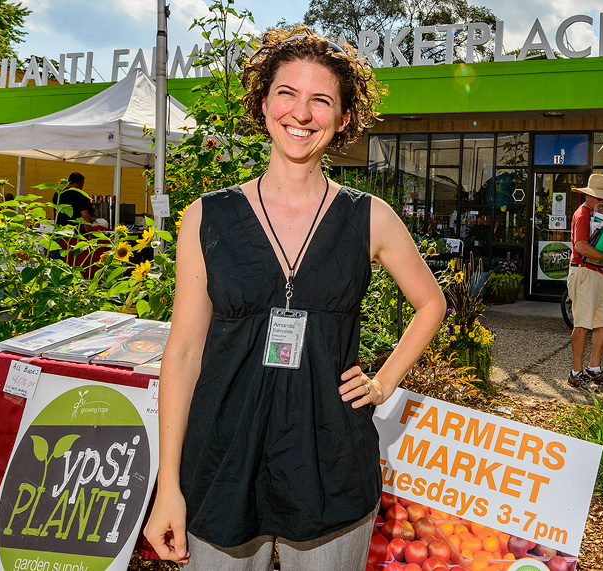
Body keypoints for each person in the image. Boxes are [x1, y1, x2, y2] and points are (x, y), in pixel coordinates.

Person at [142, 27, 445, 571]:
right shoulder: (206, 217)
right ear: (263, 102)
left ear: (344, 118)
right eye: (287, 93)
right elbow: (184, 353)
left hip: (329, 461)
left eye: (321, 100)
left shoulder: (368, 215)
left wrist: (383, 381)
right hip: (222, 463)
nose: (301, 113)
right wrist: (169, 486)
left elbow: (432, 303)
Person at [566, 173, 603, 389]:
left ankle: (594, 369)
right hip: (584, 273)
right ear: (588, 196)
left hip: (599, 274)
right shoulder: (583, 214)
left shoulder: (602, 216)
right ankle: (575, 372)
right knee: (582, 324)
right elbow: (580, 246)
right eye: (599, 197)